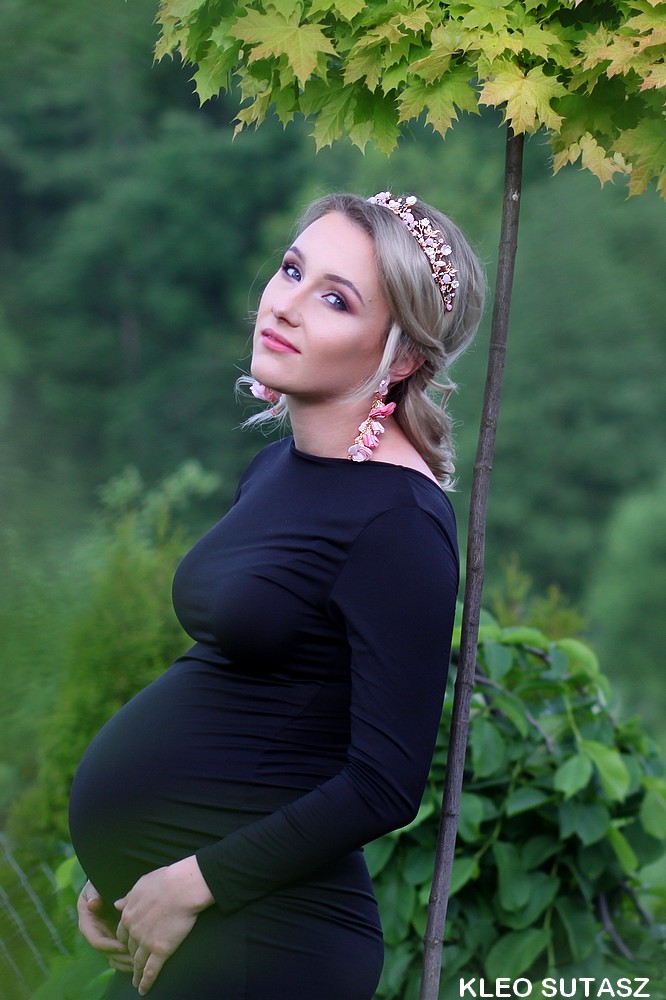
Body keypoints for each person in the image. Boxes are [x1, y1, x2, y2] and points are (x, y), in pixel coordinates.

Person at [69, 190, 484, 999]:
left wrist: (194, 879)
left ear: (402, 357)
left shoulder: (398, 522)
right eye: (293, 270)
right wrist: (130, 864)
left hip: (271, 945)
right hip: (186, 921)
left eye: (336, 299)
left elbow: (385, 785)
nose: (286, 305)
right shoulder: (276, 467)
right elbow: (255, 696)